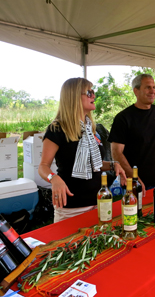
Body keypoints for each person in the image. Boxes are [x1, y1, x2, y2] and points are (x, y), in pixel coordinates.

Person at [38, 77, 126, 223]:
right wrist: (53, 178)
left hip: (98, 202)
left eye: (93, 92)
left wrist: (112, 164)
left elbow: (92, 164)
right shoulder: (57, 129)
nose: (94, 96)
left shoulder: (90, 128)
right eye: (89, 92)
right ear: (73, 97)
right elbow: (43, 166)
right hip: (72, 207)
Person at [108, 74, 155, 193]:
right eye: (148, 87)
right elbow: (116, 152)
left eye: (154, 87)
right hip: (135, 184)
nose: (152, 91)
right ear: (136, 91)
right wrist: (134, 178)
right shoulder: (123, 118)